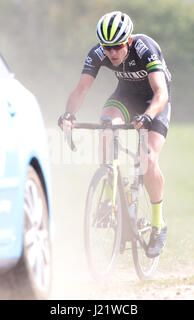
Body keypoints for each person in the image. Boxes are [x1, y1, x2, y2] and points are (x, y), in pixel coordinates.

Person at [58, 11, 172, 258]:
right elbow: (81, 89)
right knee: (106, 124)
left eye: (117, 47)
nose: (112, 53)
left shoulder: (145, 48)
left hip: (155, 101)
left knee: (148, 159)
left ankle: (157, 224)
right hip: (126, 97)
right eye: (107, 47)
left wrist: (148, 116)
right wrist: (69, 115)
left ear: (128, 41)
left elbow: (161, 92)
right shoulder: (98, 53)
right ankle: (108, 195)